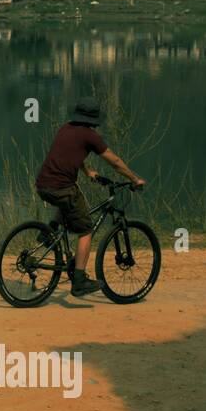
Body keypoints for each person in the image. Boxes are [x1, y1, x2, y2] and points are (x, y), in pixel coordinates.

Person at [34, 96, 146, 297]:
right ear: (93, 119)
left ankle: (50, 231)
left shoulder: (66, 128)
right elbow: (115, 162)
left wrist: (87, 171)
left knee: (71, 195)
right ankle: (79, 280)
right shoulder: (90, 136)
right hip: (61, 188)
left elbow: (71, 153)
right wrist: (134, 178)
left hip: (43, 184)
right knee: (86, 230)